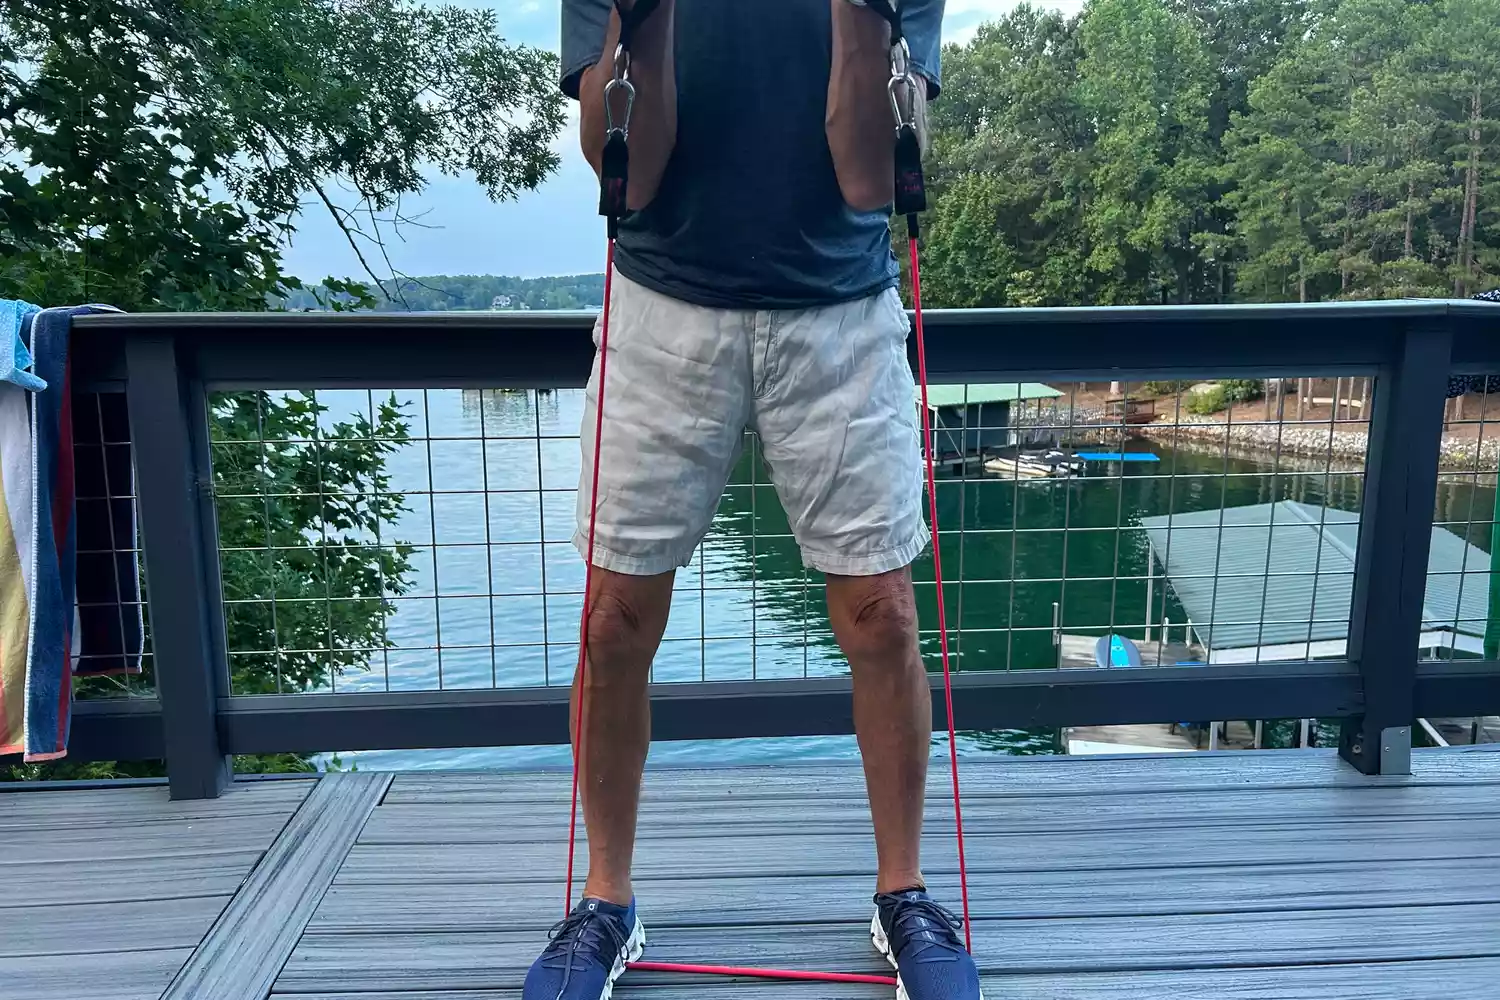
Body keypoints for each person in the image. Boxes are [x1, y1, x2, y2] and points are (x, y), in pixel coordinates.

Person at [523, 2, 981, 999]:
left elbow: (872, 176)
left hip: (841, 313)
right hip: (661, 308)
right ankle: (606, 900)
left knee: (884, 615)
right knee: (613, 619)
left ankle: (903, 893)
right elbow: (627, 173)